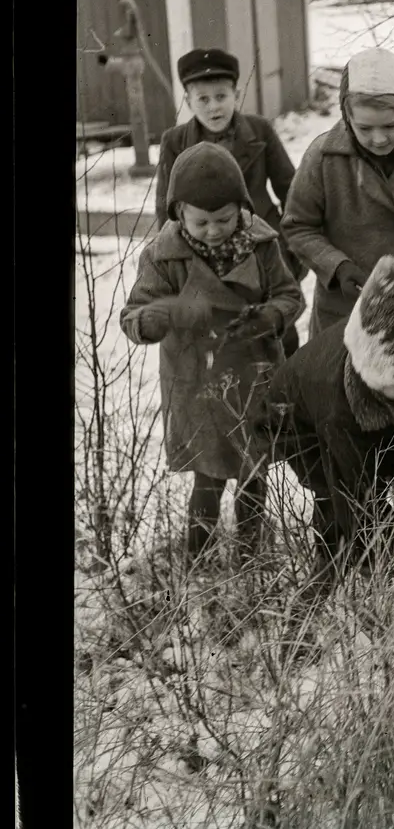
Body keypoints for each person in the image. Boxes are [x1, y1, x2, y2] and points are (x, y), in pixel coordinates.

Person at [122, 142, 305, 564]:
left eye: (224, 219)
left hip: (253, 375)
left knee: (253, 471)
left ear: (242, 209)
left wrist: (269, 317)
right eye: (201, 222)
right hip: (196, 382)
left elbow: (289, 294)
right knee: (207, 476)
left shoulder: (261, 244)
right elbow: (134, 314)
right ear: (178, 214)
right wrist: (156, 318)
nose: (214, 230)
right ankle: (198, 559)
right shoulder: (163, 256)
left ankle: (251, 555)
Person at [258, 256, 394, 587]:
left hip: (374, 409)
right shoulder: (339, 412)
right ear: (376, 374)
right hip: (301, 426)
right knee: (340, 501)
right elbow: (356, 495)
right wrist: (390, 550)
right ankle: (339, 569)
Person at [281, 47, 394, 338]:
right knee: (339, 367)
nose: (378, 139)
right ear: (347, 117)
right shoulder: (324, 157)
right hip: (344, 304)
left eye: (390, 126)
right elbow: (298, 225)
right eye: (365, 128)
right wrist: (337, 267)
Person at [155, 49, 306, 357]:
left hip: (261, 251)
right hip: (203, 255)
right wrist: (171, 263)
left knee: (279, 336)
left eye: (221, 96)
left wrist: (290, 252)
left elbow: (292, 193)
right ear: (188, 101)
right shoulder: (175, 142)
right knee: (218, 343)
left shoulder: (259, 131)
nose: (214, 107)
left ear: (236, 95)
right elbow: (166, 210)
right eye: (203, 99)